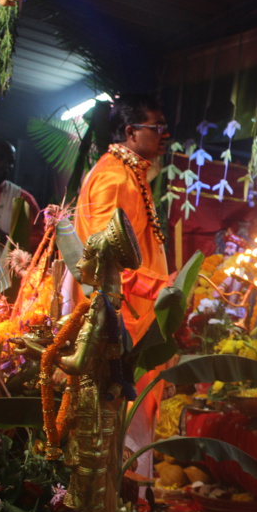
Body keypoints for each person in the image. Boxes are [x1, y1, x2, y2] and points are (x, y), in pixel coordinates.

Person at [14, 209, 141, 512]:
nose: (80, 266)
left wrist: (37, 353)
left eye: (85, 257)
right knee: (93, 462)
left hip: (92, 397)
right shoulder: (111, 300)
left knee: (90, 464)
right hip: (101, 396)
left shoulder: (100, 305)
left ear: (98, 266)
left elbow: (78, 363)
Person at [73, 93, 171, 345]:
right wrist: (159, 287)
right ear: (132, 132)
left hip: (133, 313)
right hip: (118, 321)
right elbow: (104, 260)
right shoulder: (115, 180)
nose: (165, 135)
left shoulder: (129, 172)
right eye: (157, 127)